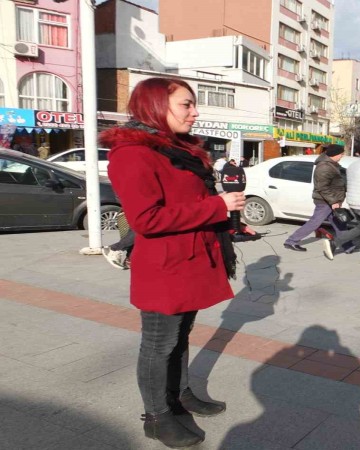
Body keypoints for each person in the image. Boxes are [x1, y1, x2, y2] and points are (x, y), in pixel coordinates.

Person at [100, 77, 254, 449]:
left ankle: (180, 394)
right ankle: (156, 416)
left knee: (180, 336)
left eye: (193, 104)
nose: (195, 112)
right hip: (165, 266)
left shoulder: (178, 150)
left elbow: (189, 201)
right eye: (186, 104)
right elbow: (146, 220)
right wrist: (217, 206)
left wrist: (226, 217)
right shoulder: (133, 153)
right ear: (155, 106)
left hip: (191, 258)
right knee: (158, 343)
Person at [283, 144, 354, 252]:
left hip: (332, 200)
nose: (342, 156)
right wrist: (333, 201)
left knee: (339, 222)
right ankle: (291, 241)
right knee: (315, 222)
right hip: (325, 201)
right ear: (334, 154)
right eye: (341, 154)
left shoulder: (332, 164)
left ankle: (348, 246)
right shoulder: (324, 167)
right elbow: (322, 187)